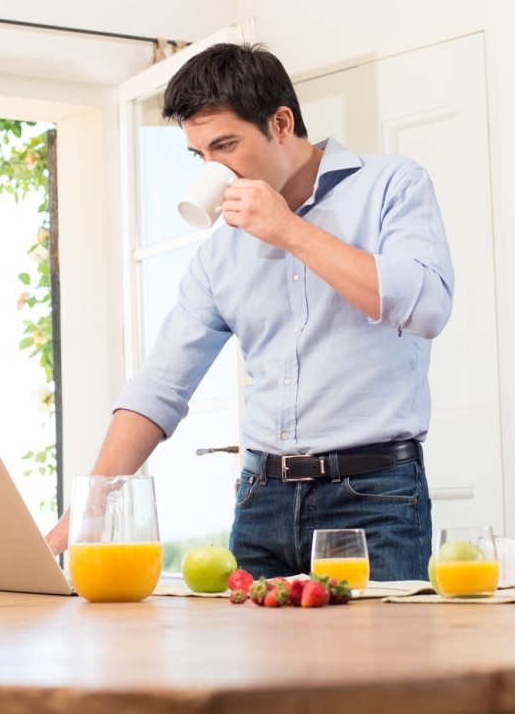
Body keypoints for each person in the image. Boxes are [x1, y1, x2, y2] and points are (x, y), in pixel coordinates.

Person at [46, 43, 453, 581]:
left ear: (281, 123)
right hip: (261, 502)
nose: (215, 169)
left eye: (227, 145)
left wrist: (288, 228)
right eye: (200, 156)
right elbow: (159, 386)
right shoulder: (219, 253)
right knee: (254, 667)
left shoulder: (392, 184)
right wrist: (80, 517)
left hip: (374, 499)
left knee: (373, 665)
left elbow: (426, 305)